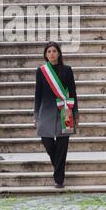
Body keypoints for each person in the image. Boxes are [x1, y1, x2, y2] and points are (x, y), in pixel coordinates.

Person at [33, 42, 79, 189]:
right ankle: (58, 169)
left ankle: (59, 179)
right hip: (46, 111)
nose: (51, 54)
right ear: (45, 55)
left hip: (64, 111)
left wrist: (76, 113)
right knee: (47, 142)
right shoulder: (41, 71)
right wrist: (35, 114)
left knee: (62, 146)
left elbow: (73, 92)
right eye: (49, 51)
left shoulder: (67, 70)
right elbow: (37, 94)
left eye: (54, 51)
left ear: (59, 53)